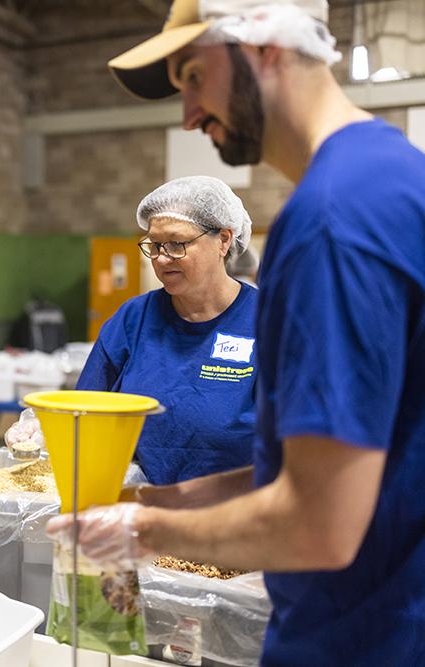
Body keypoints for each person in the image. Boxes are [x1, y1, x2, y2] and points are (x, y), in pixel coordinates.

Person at [48, 0, 425, 663]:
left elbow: (320, 523)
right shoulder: (391, 173)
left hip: (357, 636)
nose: (187, 114)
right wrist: (172, 497)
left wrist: (146, 530)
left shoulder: (331, 220)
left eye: (193, 76)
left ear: (263, 47)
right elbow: (339, 457)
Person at [76, 175, 257, 485]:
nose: (161, 259)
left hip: (238, 515)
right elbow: (85, 409)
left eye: (176, 244)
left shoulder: (270, 321)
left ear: (224, 240)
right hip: (142, 512)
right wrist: (39, 426)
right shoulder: (133, 319)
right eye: (155, 244)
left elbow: (305, 439)